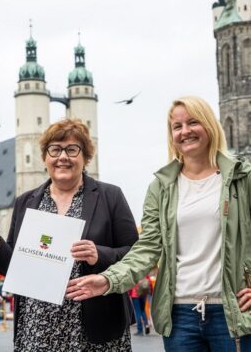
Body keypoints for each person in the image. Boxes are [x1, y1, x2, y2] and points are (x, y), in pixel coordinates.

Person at [67, 96, 251, 352]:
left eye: (193, 122)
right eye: (177, 126)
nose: (185, 131)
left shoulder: (243, 177)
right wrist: (108, 280)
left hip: (231, 311)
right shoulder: (161, 187)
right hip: (180, 315)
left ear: (209, 125)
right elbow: (148, 248)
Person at [0, 118, 139, 350]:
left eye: (72, 149)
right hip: (37, 326)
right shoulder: (25, 202)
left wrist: (100, 254)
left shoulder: (110, 196)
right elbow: (13, 268)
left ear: (86, 157)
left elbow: (136, 255)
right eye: (55, 149)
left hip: (96, 328)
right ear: (45, 157)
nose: (63, 157)